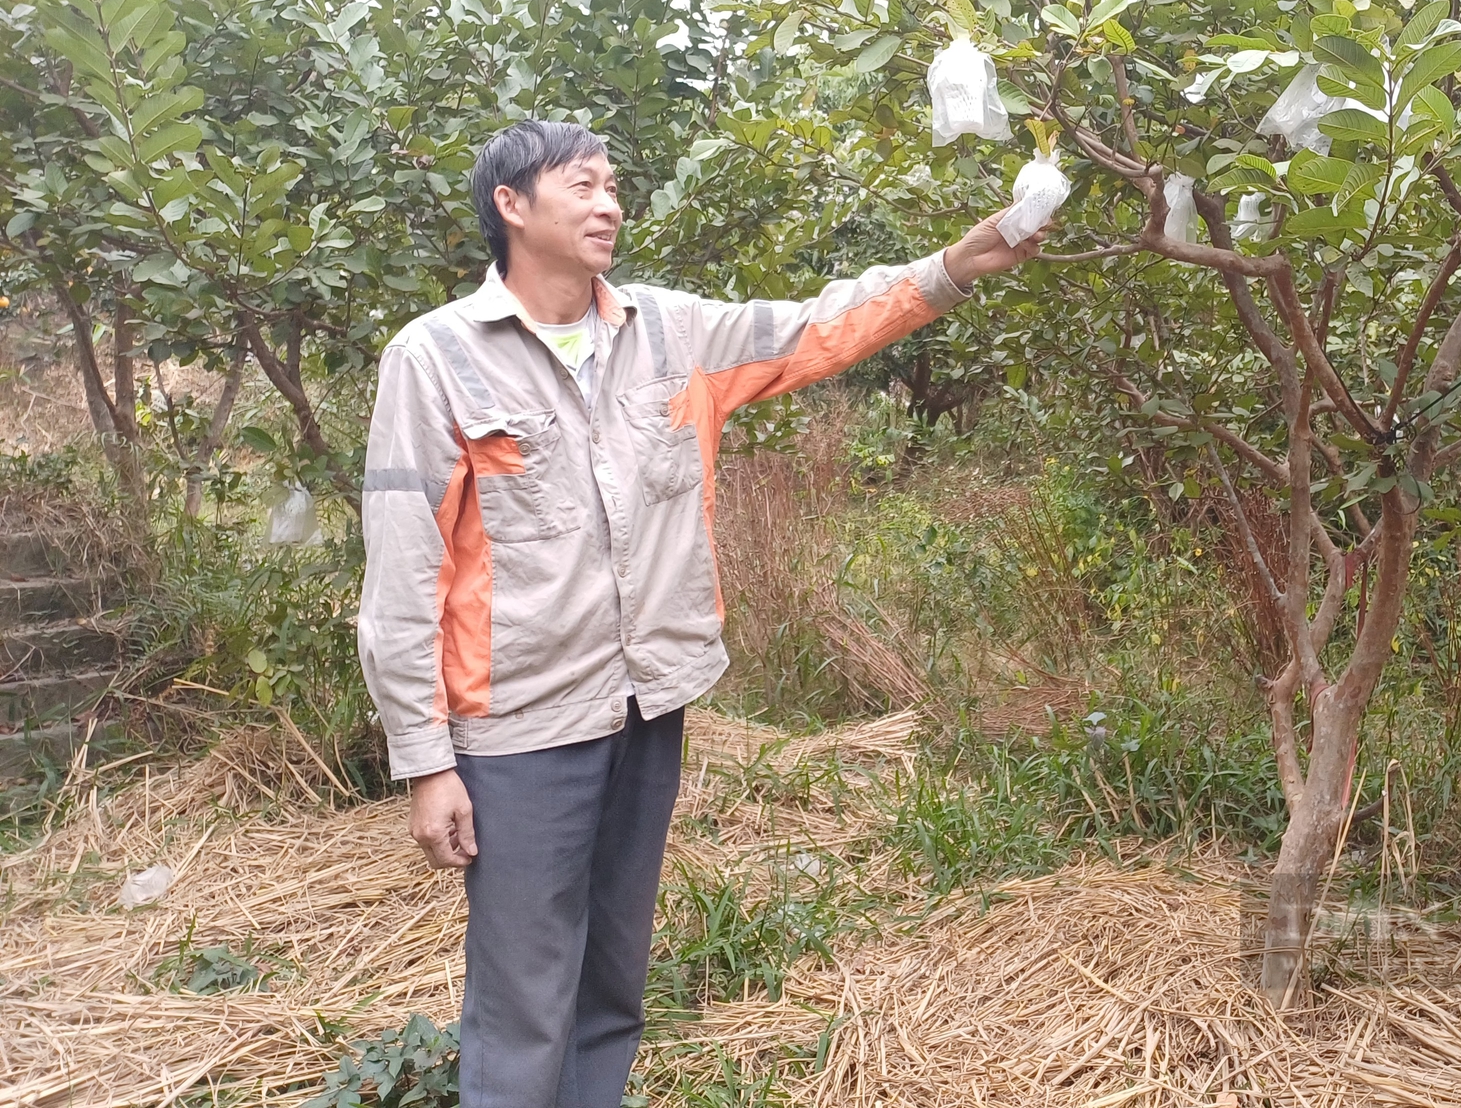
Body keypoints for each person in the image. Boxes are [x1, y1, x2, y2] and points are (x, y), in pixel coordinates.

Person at [356, 119, 1043, 1108]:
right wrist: (424, 759)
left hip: (646, 705)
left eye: (613, 185)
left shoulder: (671, 332)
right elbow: (403, 569)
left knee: (611, 982)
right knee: (523, 996)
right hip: (520, 729)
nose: (608, 205)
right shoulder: (435, 359)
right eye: (582, 185)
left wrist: (953, 266)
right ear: (510, 205)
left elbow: (816, 327)